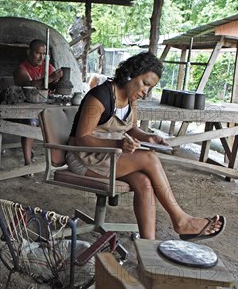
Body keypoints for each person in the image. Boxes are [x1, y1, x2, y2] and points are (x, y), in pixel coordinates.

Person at [67, 52, 225, 240]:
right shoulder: (100, 96)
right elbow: (82, 138)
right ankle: (181, 220)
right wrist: (119, 143)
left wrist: (148, 137)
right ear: (129, 74)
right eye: (145, 83)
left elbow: (131, 128)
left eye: (150, 88)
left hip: (108, 155)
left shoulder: (131, 100)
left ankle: (147, 244)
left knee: (144, 183)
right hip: (83, 157)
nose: (146, 91)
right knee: (149, 158)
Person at [13, 39, 63, 168]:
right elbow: (28, 85)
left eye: (44, 54)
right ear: (29, 52)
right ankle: (28, 163)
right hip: (26, 108)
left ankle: (59, 159)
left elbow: (53, 85)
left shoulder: (47, 67)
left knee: (63, 120)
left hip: (44, 107)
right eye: (38, 53)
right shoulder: (21, 69)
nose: (41, 57)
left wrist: (60, 80)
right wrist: (50, 78)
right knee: (31, 123)